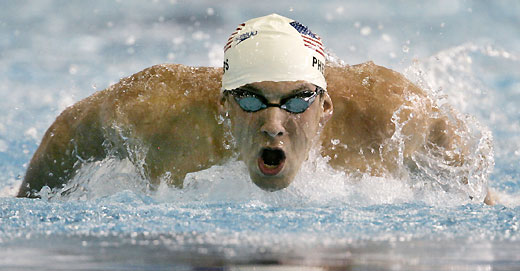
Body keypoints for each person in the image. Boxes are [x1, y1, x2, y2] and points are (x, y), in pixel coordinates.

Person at [17, 14, 496, 204]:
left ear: (325, 105)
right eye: (250, 100)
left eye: (296, 101)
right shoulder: (151, 116)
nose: (273, 126)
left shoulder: (392, 117)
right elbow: (67, 134)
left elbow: (477, 196)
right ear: (223, 105)